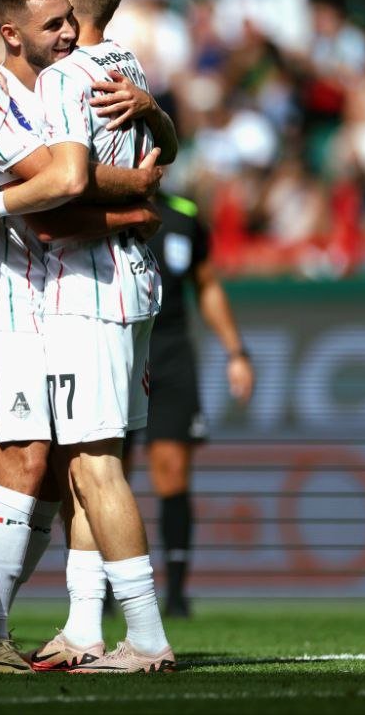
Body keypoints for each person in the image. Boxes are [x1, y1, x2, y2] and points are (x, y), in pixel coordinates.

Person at [0, 0, 174, 673]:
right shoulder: (124, 66)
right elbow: (151, 154)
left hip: (86, 289)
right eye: (46, 22)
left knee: (91, 466)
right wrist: (140, 190)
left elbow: (64, 190)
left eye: (62, 17)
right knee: (74, 467)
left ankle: (145, 638)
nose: (59, 30)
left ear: (74, 10)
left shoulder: (63, 79)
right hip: (120, 280)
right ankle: (84, 628)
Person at [127, 193, 255, 617]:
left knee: (172, 469)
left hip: (171, 351)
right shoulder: (100, 207)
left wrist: (236, 352)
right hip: (117, 345)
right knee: (106, 471)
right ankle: (101, 593)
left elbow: (207, 284)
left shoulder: (183, 216)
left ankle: (177, 594)